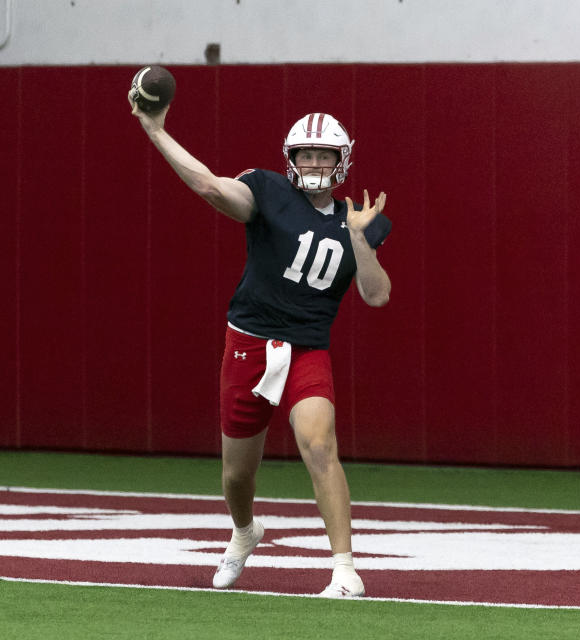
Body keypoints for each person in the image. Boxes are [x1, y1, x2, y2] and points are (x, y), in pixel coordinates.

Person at [129, 98, 392, 597]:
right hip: (249, 342)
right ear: (291, 157)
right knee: (236, 474)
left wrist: (360, 240)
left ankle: (344, 568)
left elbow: (376, 295)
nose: (314, 163)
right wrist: (156, 131)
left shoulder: (362, 220)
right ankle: (245, 531)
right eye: (306, 154)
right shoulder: (268, 190)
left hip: (308, 348)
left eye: (323, 155)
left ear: (343, 160)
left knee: (320, 444)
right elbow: (209, 185)